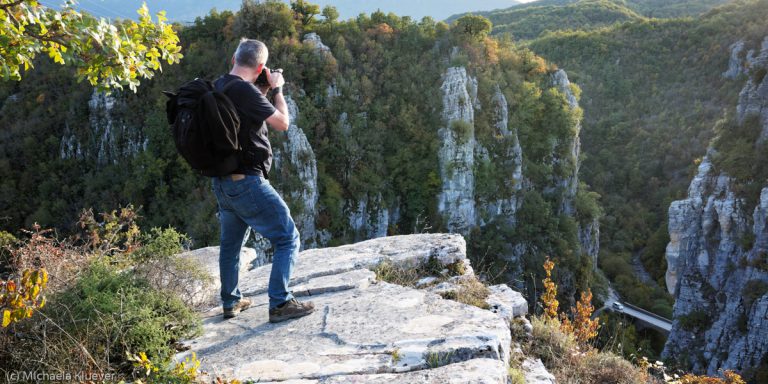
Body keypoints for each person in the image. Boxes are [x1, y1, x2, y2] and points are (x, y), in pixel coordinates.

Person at [211, 38, 315, 322]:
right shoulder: (246, 91)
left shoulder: (219, 85)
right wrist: (278, 89)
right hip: (248, 183)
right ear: (260, 67)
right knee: (287, 237)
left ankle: (230, 301)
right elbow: (282, 123)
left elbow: (249, 109)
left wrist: (264, 87)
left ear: (234, 59)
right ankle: (280, 303)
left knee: (231, 245)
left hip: (222, 182)